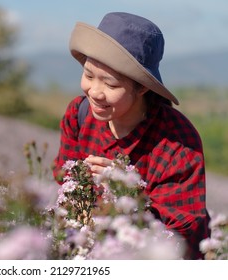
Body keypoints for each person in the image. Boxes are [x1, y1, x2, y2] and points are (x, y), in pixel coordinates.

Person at [52, 12, 211, 259]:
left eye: (111, 84)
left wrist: (127, 192)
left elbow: (184, 232)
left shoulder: (178, 143)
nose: (94, 92)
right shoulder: (78, 114)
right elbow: (63, 176)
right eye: (89, 75)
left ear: (143, 86)